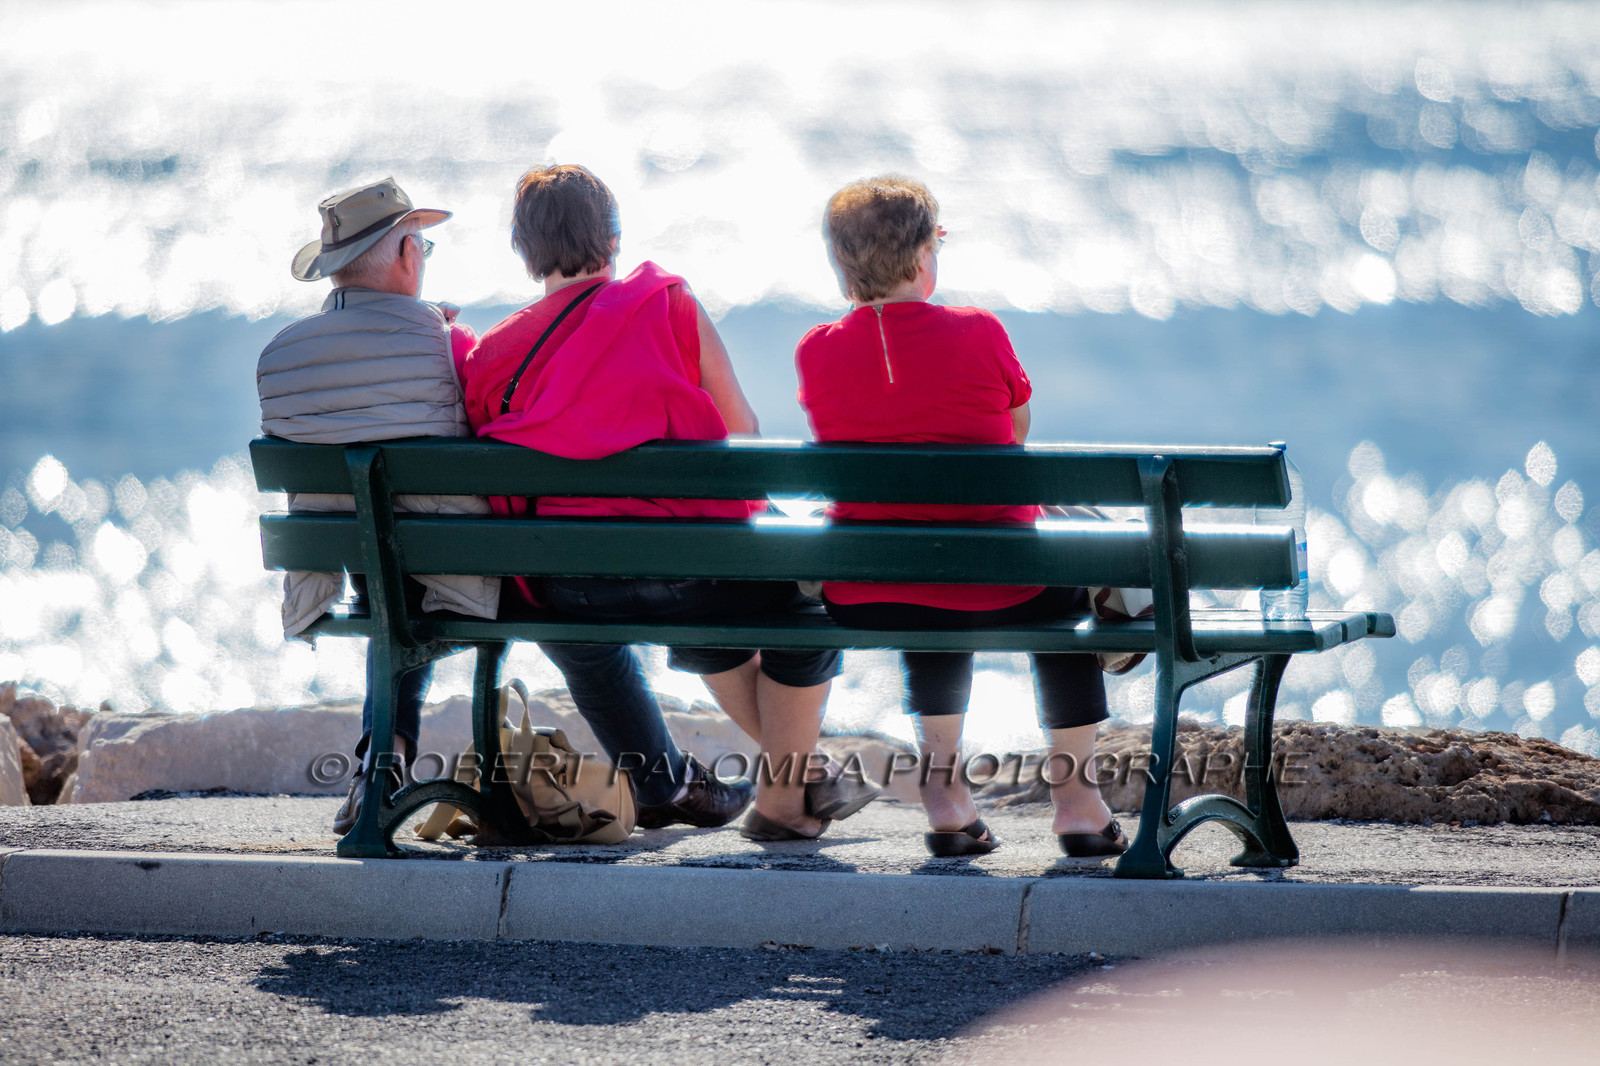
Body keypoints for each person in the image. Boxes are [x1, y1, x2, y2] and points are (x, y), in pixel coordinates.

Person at [462, 164, 876, 840]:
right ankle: (792, 780)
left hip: (572, 591)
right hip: (693, 575)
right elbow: (742, 434)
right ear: (614, 236)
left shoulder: (490, 357)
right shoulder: (667, 302)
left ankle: (794, 778)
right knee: (804, 607)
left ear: (523, 249)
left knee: (601, 629)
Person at [794, 175, 1127, 859]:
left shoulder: (816, 350)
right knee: (1057, 591)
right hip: (1005, 583)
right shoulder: (978, 330)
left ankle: (944, 795)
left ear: (843, 266)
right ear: (922, 257)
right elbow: (1016, 429)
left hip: (869, 588)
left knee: (924, 572)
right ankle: (1077, 803)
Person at [257, 177, 499, 834]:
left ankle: (379, 766)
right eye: (421, 243)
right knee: (411, 567)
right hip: (447, 566)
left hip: (350, 559)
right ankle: (404, 766)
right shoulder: (446, 344)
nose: (423, 254)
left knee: (385, 571)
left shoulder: (278, 358)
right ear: (402, 257)